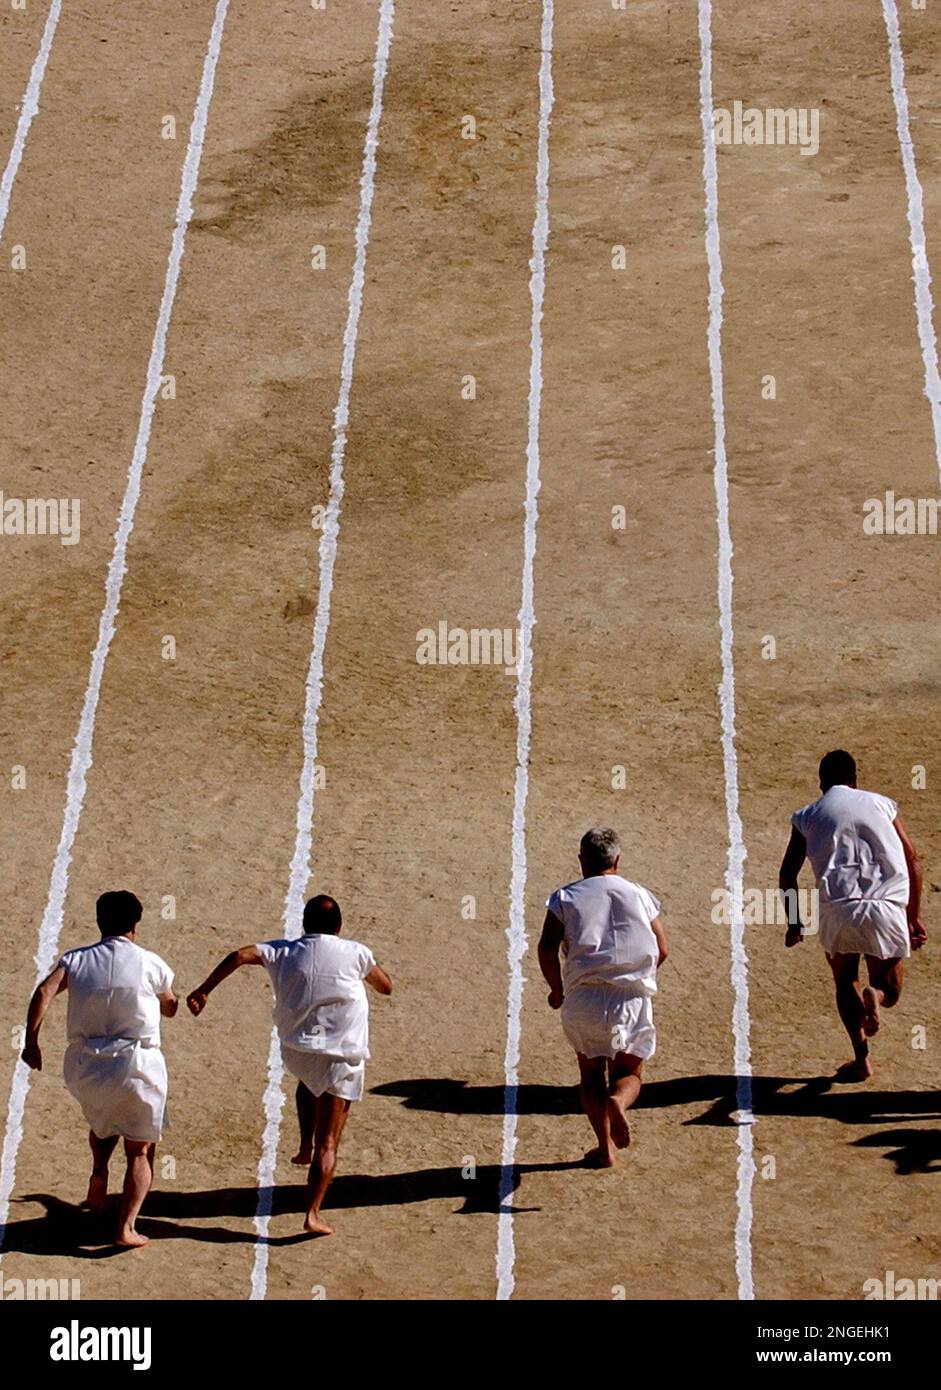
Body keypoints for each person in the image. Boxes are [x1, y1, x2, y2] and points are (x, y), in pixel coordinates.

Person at [187, 894, 392, 1236]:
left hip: (297, 1051)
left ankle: (302, 1146)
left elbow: (238, 955)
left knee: (309, 1081)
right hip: (341, 1055)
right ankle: (312, 1212)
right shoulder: (356, 952)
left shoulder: (283, 951)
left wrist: (205, 989)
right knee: (330, 1142)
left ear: (304, 925)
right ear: (339, 927)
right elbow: (385, 986)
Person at [21, 890, 177, 1248]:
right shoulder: (151, 963)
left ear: (99, 921)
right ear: (135, 925)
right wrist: (172, 1002)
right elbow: (170, 1006)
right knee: (139, 1149)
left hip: (86, 1068)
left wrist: (31, 1041)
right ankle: (126, 1227)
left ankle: (98, 1172)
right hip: (136, 1066)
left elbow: (44, 992)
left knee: (103, 1120)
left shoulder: (75, 960)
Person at [779, 749, 926, 1081]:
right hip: (886, 905)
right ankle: (878, 996)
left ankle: (861, 1059)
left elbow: (787, 874)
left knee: (845, 981)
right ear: (855, 779)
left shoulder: (807, 815)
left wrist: (794, 921)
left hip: (838, 907)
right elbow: (913, 860)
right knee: (891, 989)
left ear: (821, 784)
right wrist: (913, 917)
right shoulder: (882, 804)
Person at [537, 828, 668, 1166]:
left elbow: (547, 947)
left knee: (590, 1074)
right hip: (630, 998)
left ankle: (605, 1148)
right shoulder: (639, 894)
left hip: (584, 1000)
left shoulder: (564, 898)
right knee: (630, 1074)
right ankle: (620, 1102)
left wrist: (557, 990)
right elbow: (662, 948)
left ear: (582, 861)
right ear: (617, 861)